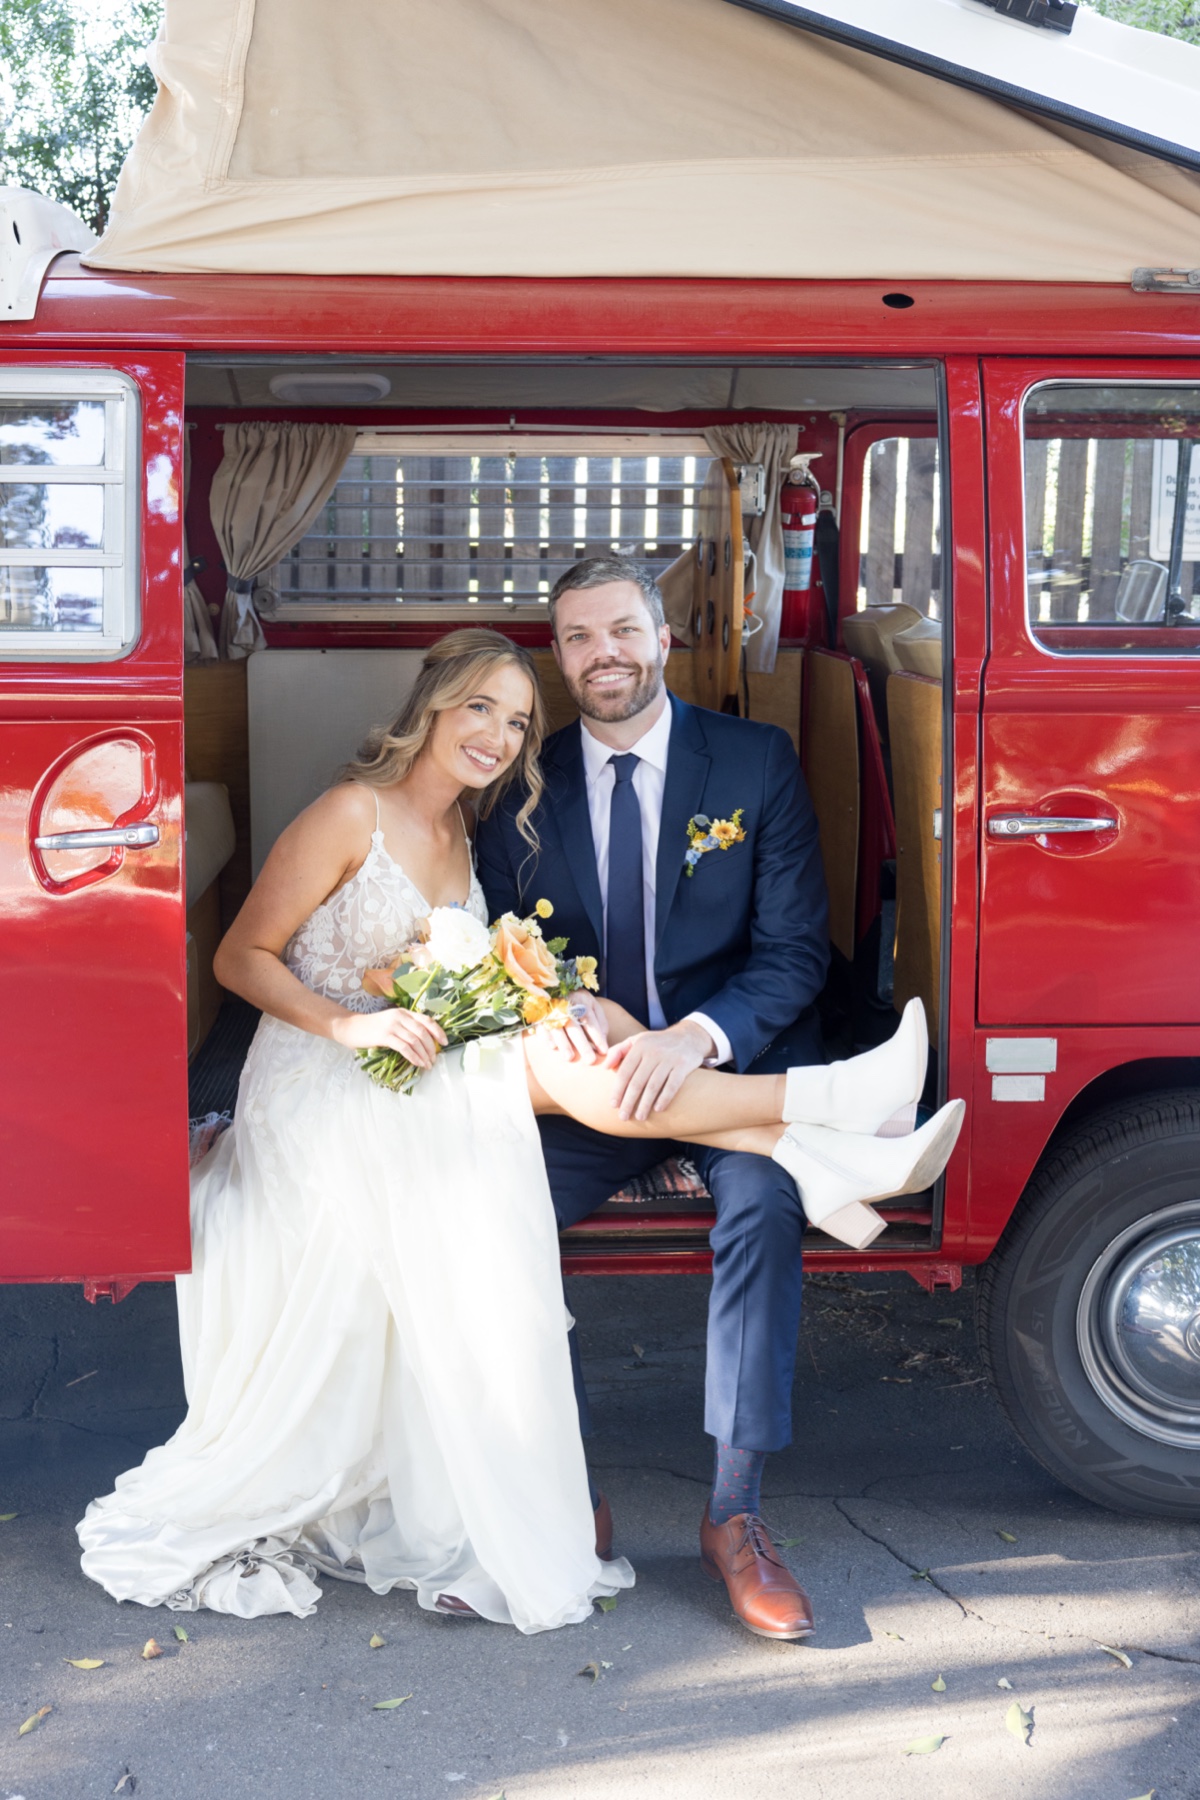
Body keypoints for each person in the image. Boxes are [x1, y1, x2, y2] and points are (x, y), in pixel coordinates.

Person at [78, 627, 961, 1635]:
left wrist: (532, 1009)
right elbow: (244, 959)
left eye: (516, 719)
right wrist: (358, 1020)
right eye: (481, 709)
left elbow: (468, 969)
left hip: (440, 1057)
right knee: (547, 1073)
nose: (499, 735)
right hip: (324, 1076)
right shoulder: (348, 812)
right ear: (434, 706)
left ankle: (799, 1166)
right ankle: (830, 1112)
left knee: (563, 1055)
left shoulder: (476, 832)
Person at [475, 558, 951, 1642]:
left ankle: (735, 1516)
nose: (605, 654)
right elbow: (510, 960)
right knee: (493, 1213)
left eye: (623, 630)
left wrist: (692, 1038)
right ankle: (565, 1488)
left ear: (664, 637)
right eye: (581, 637)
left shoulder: (752, 763)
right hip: (592, 1087)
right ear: (560, 657)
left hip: (725, 1068)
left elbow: (793, 954)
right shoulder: (521, 786)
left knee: (763, 1209)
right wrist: (594, 1032)